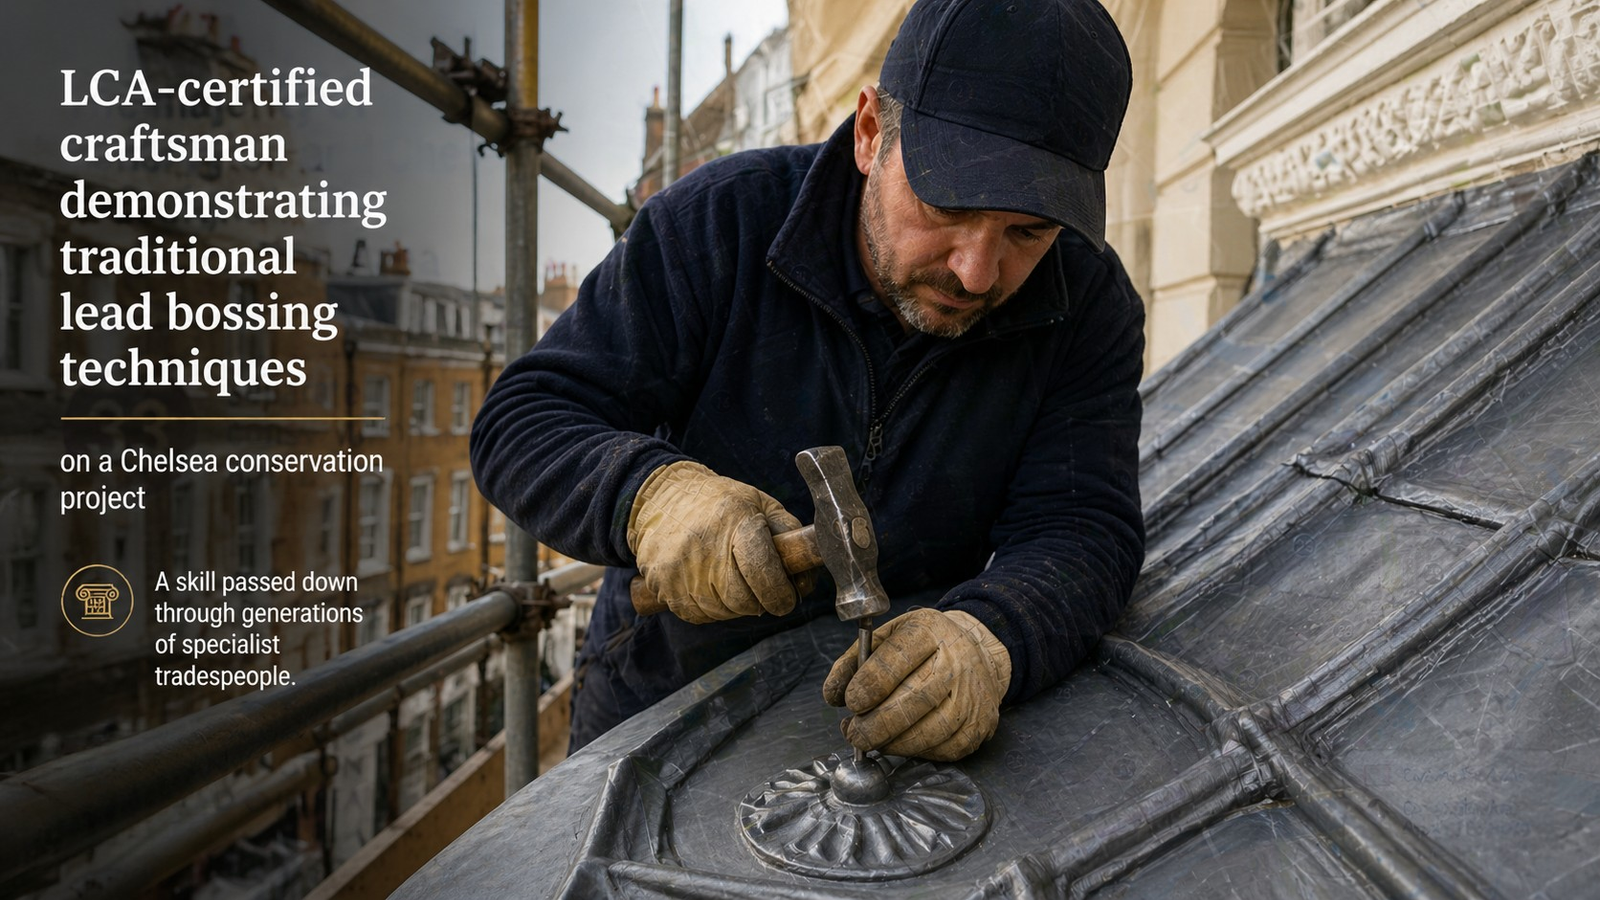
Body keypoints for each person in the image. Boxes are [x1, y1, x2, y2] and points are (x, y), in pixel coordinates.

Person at [471, 0, 1144, 762]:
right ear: (869, 134)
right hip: (662, 702)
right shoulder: (718, 222)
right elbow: (521, 418)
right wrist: (648, 497)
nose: (976, 271)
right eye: (948, 204)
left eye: (1029, 231)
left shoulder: (1086, 302)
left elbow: (1082, 525)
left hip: (891, 718)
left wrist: (991, 636)